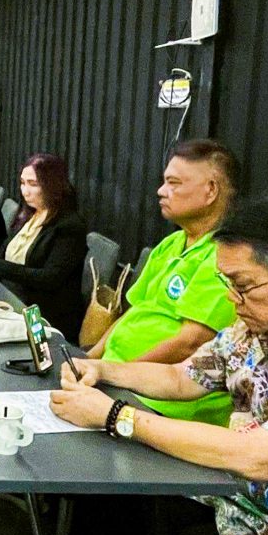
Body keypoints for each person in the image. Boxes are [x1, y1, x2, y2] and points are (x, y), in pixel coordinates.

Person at [52, 196, 268, 535]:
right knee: (99, 498)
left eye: (243, 286)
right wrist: (101, 369)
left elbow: (257, 457)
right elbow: (182, 377)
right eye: (228, 285)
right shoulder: (258, 325)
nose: (233, 299)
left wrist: (114, 415)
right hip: (227, 498)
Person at [88, 139, 238, 425]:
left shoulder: (224, 256)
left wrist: (115, 377)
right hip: (116, 379)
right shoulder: (171, 244)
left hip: (159, 404)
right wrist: (90, 359)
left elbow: (189, 343)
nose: (161, 191)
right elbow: (134, 311)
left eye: (174, 183)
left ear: (210, 191)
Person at [0, 153, 87, 340]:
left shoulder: (70, 225)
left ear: (52, 185)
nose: (25, 191)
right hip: (11, 299)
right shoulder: (30, 215)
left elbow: (48, 278)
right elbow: (8, 258)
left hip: (42, 315)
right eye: (22, 183)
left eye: (33, 184)